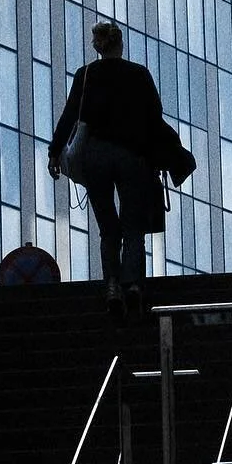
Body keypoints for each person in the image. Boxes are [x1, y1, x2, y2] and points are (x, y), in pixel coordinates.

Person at [47, 21, 168, 321]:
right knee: (133, 226)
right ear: (121, 45)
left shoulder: (86, 75)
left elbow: (69, 115)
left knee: (107, 226)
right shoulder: (139, 75)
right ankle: (134, 286)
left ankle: (112, 285)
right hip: (132, 156)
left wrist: (54, 151)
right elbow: (155, 118)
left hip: (96, 156)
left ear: (98, 47)